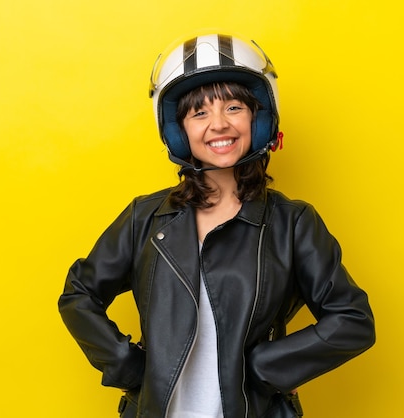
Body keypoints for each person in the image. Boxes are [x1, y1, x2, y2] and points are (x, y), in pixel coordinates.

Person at [58, 33, 375, 418]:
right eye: (200, 113)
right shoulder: (145, 217)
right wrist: (127, 364)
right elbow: (79, 295)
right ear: (178, 130)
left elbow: (353, 320)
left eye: (234, 107)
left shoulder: (292, 223)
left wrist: (267, 368)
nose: (219, 125)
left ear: (259, 119)